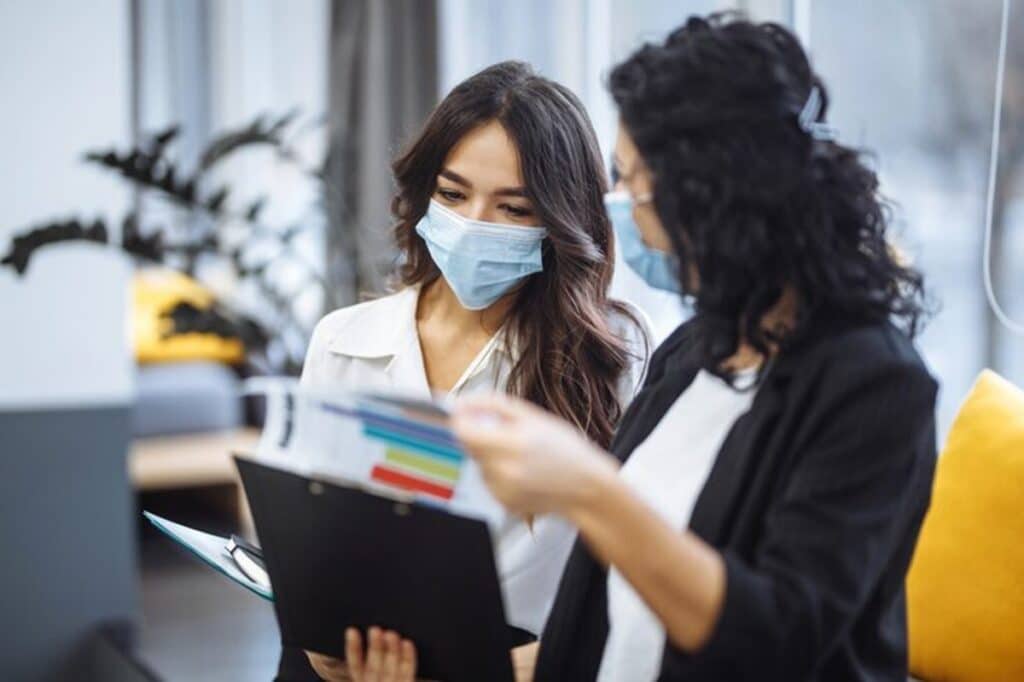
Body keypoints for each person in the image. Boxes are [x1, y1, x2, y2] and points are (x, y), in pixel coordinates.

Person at [334, 13, 937, 682]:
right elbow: (597, 621)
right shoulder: (696, 352)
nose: (615, 206)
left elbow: (778, 641)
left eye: (631, 182)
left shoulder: (875, 385)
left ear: (713, 198)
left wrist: (588, 489)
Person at [289, 61, 651, 681]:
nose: (474, 224)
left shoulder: (616, 354)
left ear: (561, 221)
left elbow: (637, 585)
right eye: (453, 195)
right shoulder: (343, 342)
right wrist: (325, 650)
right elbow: (313, 544)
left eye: (513, 208)